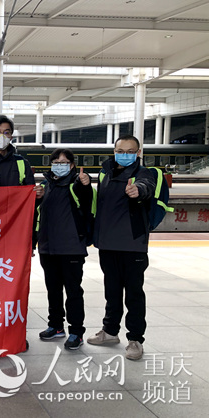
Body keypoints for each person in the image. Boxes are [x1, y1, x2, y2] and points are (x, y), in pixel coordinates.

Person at [87, 134, 156, 361]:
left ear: (138, 153)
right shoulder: (105, 172)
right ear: (114, 151)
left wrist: (138, 190)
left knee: (134, 294)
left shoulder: (144, 173)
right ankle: (110, 331)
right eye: (120, 151)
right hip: (108, 243)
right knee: (112, 291)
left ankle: (135, 339)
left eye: (130, 151)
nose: (124, 155)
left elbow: (146, 187)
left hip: (132, 245)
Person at [36, 149, 93, 350]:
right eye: (56, 162)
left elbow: (86, 199)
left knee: (73, 291)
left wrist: (85, 183)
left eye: (64, 162)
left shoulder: (77, 184)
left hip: (71, 248)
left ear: (72, 165)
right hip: (48, 248)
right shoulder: (45, 185)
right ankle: (56, 325)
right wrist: (37, 198)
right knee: (53, 290)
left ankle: (76, 331)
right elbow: (36, 214)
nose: (59, 165)